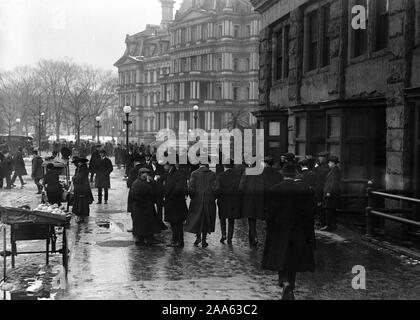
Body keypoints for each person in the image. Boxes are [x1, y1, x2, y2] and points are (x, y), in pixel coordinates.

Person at [262, 164, 316, 300]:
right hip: (298, 231)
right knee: (294, 259)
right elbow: (310, 213)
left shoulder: (274, 190)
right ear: (296, 175)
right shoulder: (304, 190)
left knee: (281, 257)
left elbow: (269, 212)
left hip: (279, 230)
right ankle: (290, 284)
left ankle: (284, 281)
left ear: (283, 174)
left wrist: (269, 228)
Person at [185, 162, 219, 248]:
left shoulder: (194, 173)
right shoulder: (213, 174)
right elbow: (216, 189)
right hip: (209, 201)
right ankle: (204, 240)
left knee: (197, 218)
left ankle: (198, 237)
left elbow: (191, 189)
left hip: (197, 200)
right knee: (206, 219)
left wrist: (193, 197)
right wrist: (212, 197)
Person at [128, 167, 162, 245]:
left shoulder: (149, 182)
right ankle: (141, 239)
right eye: (143, 173)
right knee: (141, 225)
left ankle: (148, 238)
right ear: (140, 175)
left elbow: (155, 191)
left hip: (147, 207)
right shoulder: (136, 183)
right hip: (140, 208)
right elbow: (135, 196)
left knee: (148, 224)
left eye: (146, 173)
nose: (145, 175)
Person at [238, 162, 265, 248]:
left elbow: (241, 186)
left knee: (251, 220)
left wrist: (240, 196)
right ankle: (252, 239)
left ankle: (255, 238)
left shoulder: (247, 171)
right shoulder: (262, 173)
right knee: (254, 219)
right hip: (259, 198)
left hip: (249, 199)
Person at [163, 160, 188, 248]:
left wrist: (170, 196)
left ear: (169, 165)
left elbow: (178, 188)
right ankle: (175, 240)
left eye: (165, 164)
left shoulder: (176, 174)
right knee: (173, 223)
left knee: (177, 224)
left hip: (176, 204)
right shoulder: (170, 173)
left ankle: (179, 241)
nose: (163, 166)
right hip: (172, 203)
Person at [216, 161, 242, 244]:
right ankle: (230, 238)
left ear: (225, 166)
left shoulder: (221, 175)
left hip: (223, 200)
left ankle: (223, 234)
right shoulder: (238, 176)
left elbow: (217, 188)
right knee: (231, 220)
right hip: (234, 200)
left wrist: (216, 197)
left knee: (222, 218)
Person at [321, 156, 342, 232]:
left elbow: (334, 183)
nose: (328, 163)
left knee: (328, 208)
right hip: (332, 193)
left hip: (331, 193)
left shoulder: (335, 170)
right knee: (331, 209)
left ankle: (328, 225)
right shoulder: (334, 169)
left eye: (329, 162)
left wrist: (329, 192)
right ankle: (332, 225)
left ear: (333, 163)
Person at [71, 157, 94, 223]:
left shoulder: (83, 169)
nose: (78, 163)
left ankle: (81, 216)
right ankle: (81, 216)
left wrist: (74, 179)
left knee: (82, 202)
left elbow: (78, 178)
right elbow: (76, 177)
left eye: (79, 162)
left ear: (82, 163)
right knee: (80, 202)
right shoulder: (80, 169)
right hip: (80, 188)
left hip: (82, 188)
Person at [148, 155, 167, 230]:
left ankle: (160, 222)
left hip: (159, 191)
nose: (155, 162)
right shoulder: (148, 167)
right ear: (151, 161)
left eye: (156, 161)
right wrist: (151, 178)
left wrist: (160, 177)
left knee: (160, 207)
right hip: (151, 190)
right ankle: (152, 222)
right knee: (150, 207)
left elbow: (165, 175)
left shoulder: (160, 167)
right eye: (154, 161)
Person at [314, 152, 331, 227]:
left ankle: (322, 221)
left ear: (325, 158)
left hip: (323, 189)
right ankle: (319, 220)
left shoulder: (327, 166)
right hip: (318, 188)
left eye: (321, 157)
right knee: (318, 204)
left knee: (322, 205)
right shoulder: (319, 165)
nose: (319, 159)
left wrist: (317, 167)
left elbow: (323, 173)